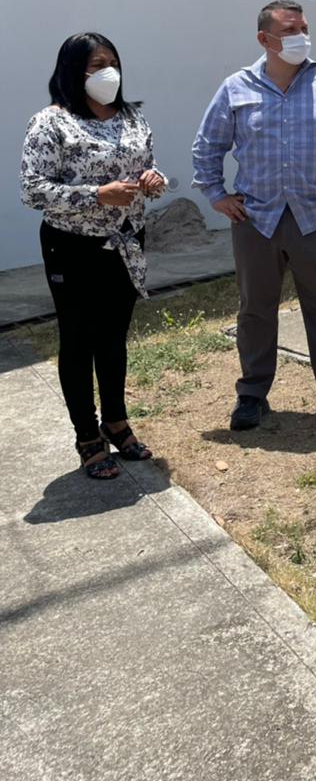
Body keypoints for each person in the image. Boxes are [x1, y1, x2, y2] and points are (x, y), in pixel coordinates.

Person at [192, 0, 316, 432]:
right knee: (255, 309)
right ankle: (252, 394)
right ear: (265, 39)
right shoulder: (236, 87)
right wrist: (217, 195)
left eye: (304, 28)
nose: (301, 37)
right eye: (291, 30)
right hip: (256, 219)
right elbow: (207, 146)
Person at [20, 34, 166, 479]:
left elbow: (144, 164)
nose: (108, 72)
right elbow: (33, 190)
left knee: (113, 337)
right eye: (96, 65)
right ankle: (87, 437)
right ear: (72, 70)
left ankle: (116, 422)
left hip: (125, 241)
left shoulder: (132, 117)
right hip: (73, 246)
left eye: (113, 62)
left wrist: (151, 179)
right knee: (79, 340)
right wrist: (96, 195)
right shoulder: (51, 123)